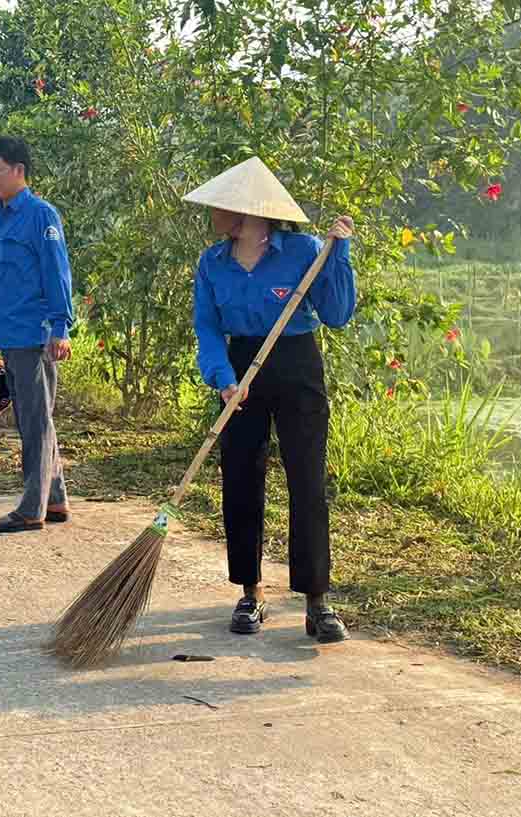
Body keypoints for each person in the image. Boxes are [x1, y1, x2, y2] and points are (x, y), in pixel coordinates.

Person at [185, 156, 356, 643]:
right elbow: (207, 327)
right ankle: (251, 592)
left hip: (296, 363)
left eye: (219, 206)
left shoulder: (304, 251)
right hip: (240, 368)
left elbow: (338, 313)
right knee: (240, 477)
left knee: (307, 480)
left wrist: (338, 253)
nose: (212, 214)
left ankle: (316, 601)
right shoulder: (211, 263)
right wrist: (222, 378)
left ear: (247, 213)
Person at [0, 137, 75, 533]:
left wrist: (61, 327)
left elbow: (57, 273)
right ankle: (55, 500)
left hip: (34, 335)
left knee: (34, 422)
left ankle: (31, 509)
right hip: (5, 334)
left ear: (19, 171)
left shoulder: (41, 216)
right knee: (34, 416)